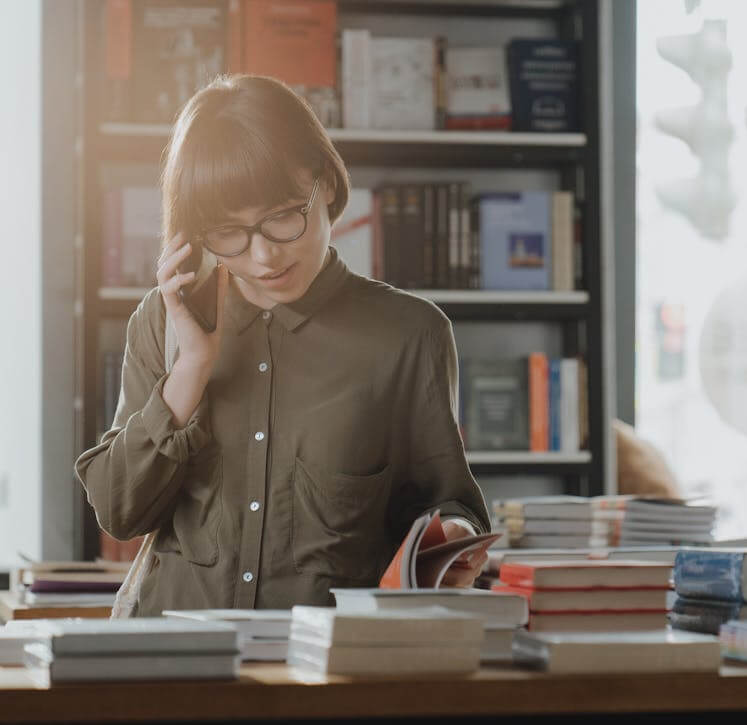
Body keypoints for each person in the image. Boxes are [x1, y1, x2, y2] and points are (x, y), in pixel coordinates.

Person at [75, 74, 491, 615]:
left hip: (326, 676)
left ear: (326, 185)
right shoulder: (162, 322)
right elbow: (117, 510)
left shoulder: (409, 334)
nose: (264, 257)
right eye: (229, 233)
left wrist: (453, 536)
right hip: (177, 666)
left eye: (283, 218)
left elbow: (448, 501)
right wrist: (191, 368)